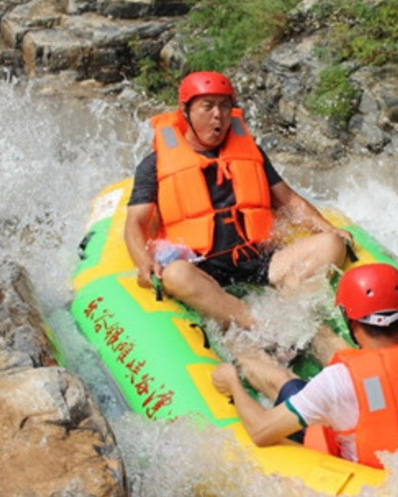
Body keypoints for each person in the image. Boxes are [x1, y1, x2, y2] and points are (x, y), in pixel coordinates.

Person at [124, 70, 353, 332]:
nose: (218, 115)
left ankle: (287, 307)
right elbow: (135, 223)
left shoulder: (250, 152)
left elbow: (288, 200)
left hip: (258, 260)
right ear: (185, 110)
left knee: (331, 244)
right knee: (175, 274)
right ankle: (261, 325)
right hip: (203, 268)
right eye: (207, 107)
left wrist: (328, 228)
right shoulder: (155, 164)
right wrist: (144, 263)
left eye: (224, 106)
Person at [211, 263, 398, 469]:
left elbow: (261, 431)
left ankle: (244, 347)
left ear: (352, 323)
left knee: (286, 381)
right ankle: (306, 329)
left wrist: (233, 384)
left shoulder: (336, 381)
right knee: (331, 347)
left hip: (352, 459)